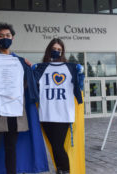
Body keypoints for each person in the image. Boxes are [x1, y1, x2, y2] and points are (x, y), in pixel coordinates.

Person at [0, 22, 48, 174]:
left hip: (14, 113)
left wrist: (29, 71)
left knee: (11, 149)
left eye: (8, 36)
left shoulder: (19, 61)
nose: (5, 38)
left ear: (13, 38)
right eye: (1, 36)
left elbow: (25, 87)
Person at [33, 38, 85, 174]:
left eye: (59, 50)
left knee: (58, 146)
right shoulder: (42, 68)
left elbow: (79, 87)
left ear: (62, 52)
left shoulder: (70, 68)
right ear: (49, 50)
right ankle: (60, 170)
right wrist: (32, 72)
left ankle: (65, 170)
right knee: (54, 146)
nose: (56, 51)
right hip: (46, 114)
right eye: (54, 49)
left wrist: (80, 75)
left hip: (63, 114)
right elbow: (33, 88)